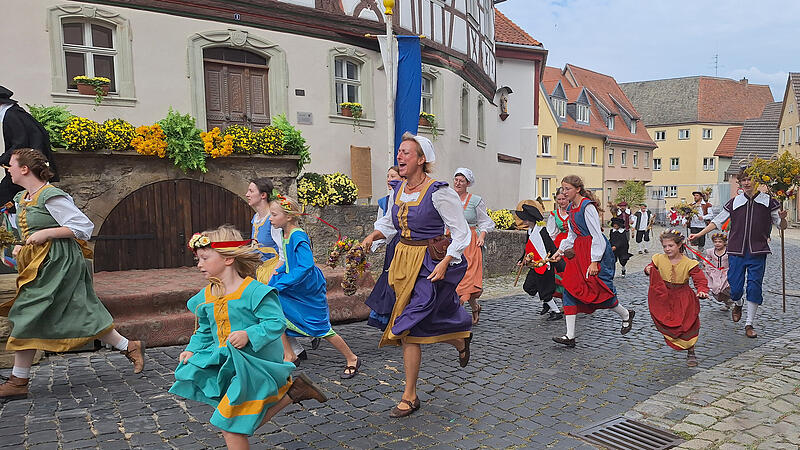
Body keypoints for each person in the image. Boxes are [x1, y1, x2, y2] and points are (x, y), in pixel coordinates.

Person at [0, 148, 143, 401]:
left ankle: (18, 381)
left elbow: (83, 226)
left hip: (60, 263)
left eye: (10, 165)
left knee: (25, 312)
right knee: (81, 309)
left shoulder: (51, 196)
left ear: (24, 169)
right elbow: (32, 226)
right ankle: (128, 345)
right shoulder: (23, 197)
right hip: (40, 263)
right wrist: (23, 243)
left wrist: (47, 234)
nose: (7, 169)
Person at [170, 225, 328, 450]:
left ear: (228, 259)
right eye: (198, 259)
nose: (199, 264)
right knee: (234, 423)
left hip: (252, 367)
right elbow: (204, 330)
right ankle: (293, 393)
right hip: (225, 366)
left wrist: (249, 334)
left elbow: (275, 323)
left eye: (205, 258)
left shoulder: (253, 291)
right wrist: (192, 349)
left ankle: (293, 392)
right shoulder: (206, 296)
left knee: (230, 425)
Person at [360, 132, 472, 418]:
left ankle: (409, 395)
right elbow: (390, 223)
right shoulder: (397, 190)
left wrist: (447, 261)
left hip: (427, 262)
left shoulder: (439, 192)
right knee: (416, 326)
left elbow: (462, 232)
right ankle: (458, 340)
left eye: (407, 153)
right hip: (401, 260)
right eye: (399, 152)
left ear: (422, 160)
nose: (400, 156)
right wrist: (373, 235)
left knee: (407, 327)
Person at [689, 166, 787, 338]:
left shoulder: (768, 201)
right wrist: (699, 234)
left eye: (750, 179)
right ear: (740, 182)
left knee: (754, 286)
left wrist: (784, 218)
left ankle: (749, 323)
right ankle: (738, 303)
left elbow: (781, 225)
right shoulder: (735, 202)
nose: (747, 182)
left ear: (756, 181)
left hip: (758, 250)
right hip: (735, 250)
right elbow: (717, 221)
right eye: (744, 180)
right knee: (734, 287)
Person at [267, 195, 360, 376]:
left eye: (273, 214)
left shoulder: (298, 236)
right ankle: (289, 355)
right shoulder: (282, 233)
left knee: (321, 327)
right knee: (274, 311)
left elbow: (305, 265)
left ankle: (352, 358)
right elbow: (291, 261)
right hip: (294, 282)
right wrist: (280, 272)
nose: (270, 218)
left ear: (289, 216)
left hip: (306, 287)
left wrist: (283, 282)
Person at [551, 175, 635, 348]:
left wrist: (595, 261)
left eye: (567, 189)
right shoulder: (572, 208)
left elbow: (596, 234)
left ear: (577, 189)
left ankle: (626, 315)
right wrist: (559, 252)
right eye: (562, 189)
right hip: (579, 252)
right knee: (571, 288)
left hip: (593, 251)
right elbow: (572, 235)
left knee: (598, 291)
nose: (564, 192)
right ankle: (570, 335)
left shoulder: (586, 207)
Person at [645, 230, 709, 367]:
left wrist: (702, 291)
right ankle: (675, 340)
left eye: (671, 246)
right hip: (664, 296)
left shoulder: (689, 263)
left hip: (683, 297)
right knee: (667, 321)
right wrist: (648, 269)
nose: (667, 249)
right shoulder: (658, 258)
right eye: (665, 246)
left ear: (679, 245)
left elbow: (700, 280)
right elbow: (650, 266)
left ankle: (691, 351)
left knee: (688, 324)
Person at [0, 87, 58, 206]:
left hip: (28, 169)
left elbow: (20, 145)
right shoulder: (16, 113)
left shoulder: (11, 116)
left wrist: (3, 159)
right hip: (29, 167)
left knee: (6, 196)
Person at [453, 167, 494, 324]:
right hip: (453, 241)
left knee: (467, 279)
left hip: (470, 242)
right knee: (454, 278)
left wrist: (482, 236)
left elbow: (485, 221)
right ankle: (474, 307)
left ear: (467, 183)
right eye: (456, 179)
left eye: (461, 180)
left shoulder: (475, 200)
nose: (458, 183)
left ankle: (458, 315)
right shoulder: (448, 198)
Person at [365, 166, 402, 331]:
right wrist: (371, 241)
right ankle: (392, 320)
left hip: (410, 245)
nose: (389, 179)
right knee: (390, 283)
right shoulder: (386, 200)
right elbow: (385, 224)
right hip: (393, 246)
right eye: (387, 176)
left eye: (393, 176)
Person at [516, 202, 564, 321]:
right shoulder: (530, 231)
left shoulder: (542, 231)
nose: (524, 222)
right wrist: (522, 259)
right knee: (528, 287)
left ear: (531, 219)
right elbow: (528, 247)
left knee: (545, 291)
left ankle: (556, 312)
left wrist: (555, 261)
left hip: (545, 265)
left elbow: (551, 247)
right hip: (535, 265)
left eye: (526, 219)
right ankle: (548, 302)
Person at [245, 177, 283, 282]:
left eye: (251, 191)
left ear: (263, 195)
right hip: (259, 268)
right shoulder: (256, 218)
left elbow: (283, 251)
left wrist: (274, 273)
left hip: (273, 270)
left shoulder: (272, 219)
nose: (247, 194)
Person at [546, 188, 570, 299]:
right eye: (559, 199)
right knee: (559, 271)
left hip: (573, 242)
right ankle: (565, 300)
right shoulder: (554, 214)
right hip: (560, 243)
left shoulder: (575, 211)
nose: (561, 201)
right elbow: (552, 233)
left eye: (564, 199)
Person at [703, 233, 732, 310]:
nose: (717, 244)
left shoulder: (728, 251)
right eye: (715, 242)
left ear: (724, 242)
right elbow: (708, 258)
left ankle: (732, 300)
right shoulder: (711, 251)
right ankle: (727, 303)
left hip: (727, 272)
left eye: (720, 242)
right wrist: (705, 262)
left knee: (725, 287)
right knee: (716, 289)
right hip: (716, 272)